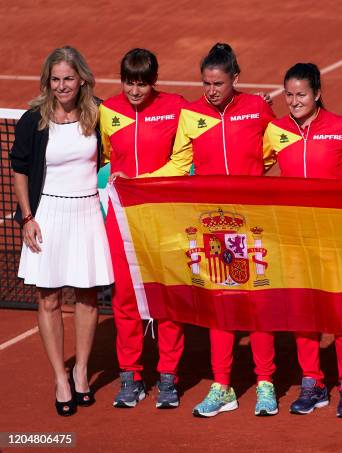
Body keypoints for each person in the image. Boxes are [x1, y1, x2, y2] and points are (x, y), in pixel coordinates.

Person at [145, 43, 277, 417]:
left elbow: (273, 152)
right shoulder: (192, 115)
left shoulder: (256, 109)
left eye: (218, 83)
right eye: (206, 83)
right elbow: (178, 164)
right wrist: (140, 181)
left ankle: (265, 383)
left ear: (235, 79)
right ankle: (223, 385)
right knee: (221, 307)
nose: (211, 90)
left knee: (257, 306)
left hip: (253, 225)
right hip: (213, 228)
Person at [10, 46, 113, 416]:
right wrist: (27, 217)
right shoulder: (33, 119)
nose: (62, 85)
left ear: (82, 78)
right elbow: (20, 168)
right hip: (48, 214)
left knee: (87, 297)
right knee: (48, 298)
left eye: (68, 78)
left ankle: (82, 371)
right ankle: (60, 376)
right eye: (55, 79)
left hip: (87, 212)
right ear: (47, 81)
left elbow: (117, 152)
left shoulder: (99, 113)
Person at [263, 63, 342, 417]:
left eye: (301, 94)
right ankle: (312, 382)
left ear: (317, 93)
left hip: (334, 237)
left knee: (341, 312)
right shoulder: (275, 130)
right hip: (295, 238)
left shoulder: (341, 129)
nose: (294, 101)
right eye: (288, 94)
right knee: (303, 313)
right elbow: (253, 168)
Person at [100, 48, 187, 409]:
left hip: (161, 216)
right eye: (129, 83)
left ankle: (168, 377)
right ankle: (131, 376)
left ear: (154, 82)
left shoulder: (176, 106)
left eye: (142, 84)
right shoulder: (107, 110)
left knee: (166, 297)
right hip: (120, 218)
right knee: (124, 298)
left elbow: (183, 160)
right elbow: (107, 156)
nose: (135, 91)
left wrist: (143, 181)